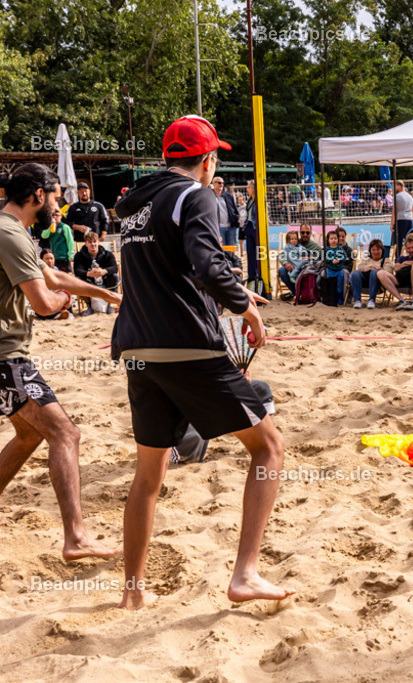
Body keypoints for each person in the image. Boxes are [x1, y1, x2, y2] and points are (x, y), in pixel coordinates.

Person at [112, 114, 288, 609]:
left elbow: (176, 270)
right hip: (187, 345)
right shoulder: (199, 195)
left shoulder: (137, 205)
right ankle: (245, 575)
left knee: (148, 477)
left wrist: (228, 290)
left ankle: (132, 594)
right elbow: (208, 265)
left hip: (138, 346)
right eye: (216, 160)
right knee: (268, 448)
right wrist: (246, 306)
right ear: (208, 161)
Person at [0, 163, 122, 561]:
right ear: (37, 194)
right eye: (54, 196)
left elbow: (54, 279)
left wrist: (107, 295)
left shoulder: (13, 231)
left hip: (6, 354)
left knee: (29, 435)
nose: (59, 204)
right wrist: (68, 303)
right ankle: (76, 538)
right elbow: (46, 302)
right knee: (65, 435)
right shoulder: (9, 235)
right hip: (5, 358)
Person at [73, 231, 119, 315]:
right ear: (86, 243)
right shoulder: (79, 255)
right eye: (90, 242)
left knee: (115, 277)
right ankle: (89, 306)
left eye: (94, 241)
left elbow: (115, 268)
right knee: (78, 280)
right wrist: (89, 273)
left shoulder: (107, 254)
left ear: (98, 242)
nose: (93, 244)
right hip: (89, 281)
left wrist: (103, 271)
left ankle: (108, 305)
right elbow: (77, 271)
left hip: (105, 280)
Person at [378, 233, 413, 309]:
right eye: (408, 248)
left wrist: (406, 263)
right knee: (381, 273)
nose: (411, 250)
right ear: (406, 249)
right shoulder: (402, 258)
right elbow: (396, 268)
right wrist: (404, 263)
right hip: (401, 281)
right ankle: (402, 300)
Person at [351, 238, 393, 308]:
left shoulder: (386, 260)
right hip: (364, 281)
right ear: (370, 251)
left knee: (374, 272)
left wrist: (379, 269)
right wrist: (370, 267)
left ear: (382, 250)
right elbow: (360, 267)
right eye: (373, 250)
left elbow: (389, 272)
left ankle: (371, 300)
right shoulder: (367, 259)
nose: (376, 252)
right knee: (355, 273)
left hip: (378, 283)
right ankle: (357, 300)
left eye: (378, 250)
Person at [42, 207, 75, 272]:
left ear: (61, 216)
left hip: (63, 257)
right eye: (53, 215)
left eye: (57, 215)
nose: (55, 217)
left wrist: (71, 256)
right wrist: (51, 225)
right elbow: (44, 236)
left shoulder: (64, 227)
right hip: (53, 257)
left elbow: (70, 241)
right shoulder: (50, 227)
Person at [211, 176, 240, 247]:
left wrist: (236, 222)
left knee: (231, 250)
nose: (221, 184)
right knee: (221, 250)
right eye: (219, 182)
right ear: (213, 184)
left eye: (223, 183)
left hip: (231, 227)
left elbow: (234, 210)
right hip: (218, 228)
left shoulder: (228, 196)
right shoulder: (209, 196)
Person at [324, 230, 351, 304]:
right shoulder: (327, 249)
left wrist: (340, 259)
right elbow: (325, 258)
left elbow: (345, 257)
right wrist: (331, 260)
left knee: (339, 286)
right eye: (331, 238)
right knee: (331, 285)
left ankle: (339, 298)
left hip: (339, 270)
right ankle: (331, 299)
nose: (333, 240)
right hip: (330, 270)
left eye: (335, 238)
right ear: (328, 240)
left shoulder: (340, 249)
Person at [242, 180, 260, 281]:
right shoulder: (249, 201)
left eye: (249, 188)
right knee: (250, 252)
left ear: (254, 189)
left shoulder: (258, 201)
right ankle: (251, 275)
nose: (247, 189)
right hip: (249, 226)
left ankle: (257, 274)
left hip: (255, 228)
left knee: (257, 252)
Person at [393, 180, 413, 247]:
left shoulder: (397, 196)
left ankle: (398, 256)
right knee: (409, 239)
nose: (394, 188)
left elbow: (394, 211)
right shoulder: (410, 197)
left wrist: (392, 224)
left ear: (399, 186)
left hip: (401, 218)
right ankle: (411, 255)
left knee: (398, 240)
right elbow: (412, 210)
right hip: (410, 219)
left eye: (395, 186)